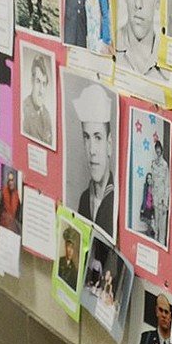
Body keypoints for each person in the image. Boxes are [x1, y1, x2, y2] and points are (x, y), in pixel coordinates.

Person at [73, 83, 115, 235]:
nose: (91, 150)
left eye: (98, 137)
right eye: (87, 137)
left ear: (109, 144)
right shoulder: (84, 199)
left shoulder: (116, 201)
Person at [21, 52, 54, 146]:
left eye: (44, 84)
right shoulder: (23, 110)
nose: (41, 91)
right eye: (38, 82)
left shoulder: (47, 115)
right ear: (32, 81)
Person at [149, 137, 170, 240]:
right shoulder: (153, 164)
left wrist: (165, 202)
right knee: (156, 227)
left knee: (162, 227)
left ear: (161, 150)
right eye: (156, 149)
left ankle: (161, 244)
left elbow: (166, 184)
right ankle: (156, 243)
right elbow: (152, 182)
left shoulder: (165, 165)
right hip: (155, 199)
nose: (158, 151)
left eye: (159, 149)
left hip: (162, 200)